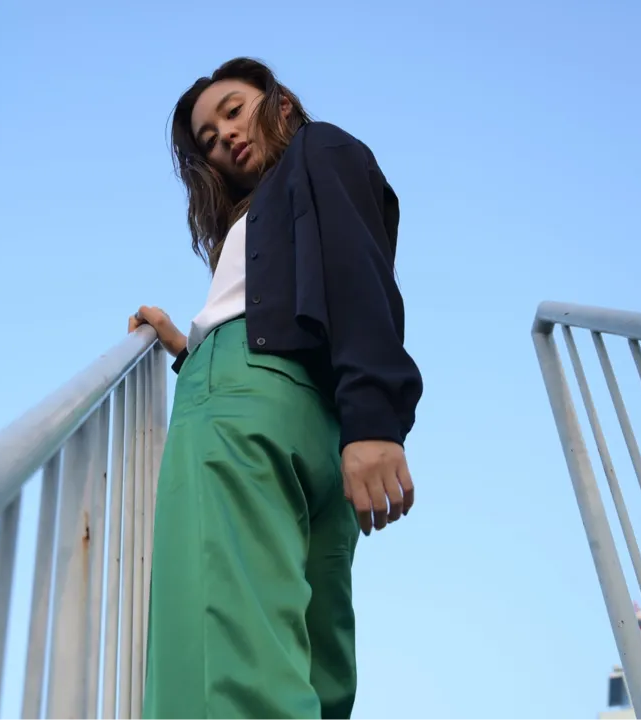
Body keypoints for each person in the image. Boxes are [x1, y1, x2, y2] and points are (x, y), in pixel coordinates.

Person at [128, 57, 423, 720]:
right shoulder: (271, 208)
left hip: (252, 409)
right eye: (208, 139)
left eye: (233, 111)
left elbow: (356, 269)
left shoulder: (318, 150)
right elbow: (304, 303)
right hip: (315, 423)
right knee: (315, 664)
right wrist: (185, 349)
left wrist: (376, 419)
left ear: (280, 102)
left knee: (226, 649)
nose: (225, 137)